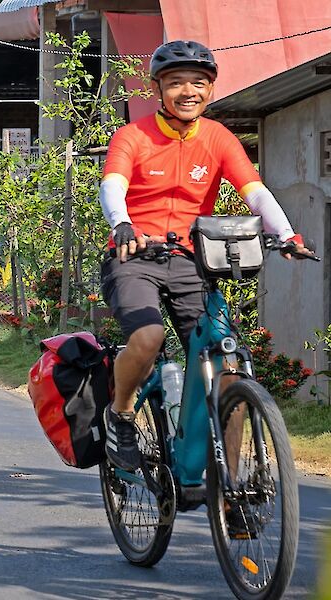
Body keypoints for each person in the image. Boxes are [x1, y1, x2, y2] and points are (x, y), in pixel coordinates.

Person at [98, 40, 313, 522]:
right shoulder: (132, 135)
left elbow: (254, 191)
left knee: (229, 369)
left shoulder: (217, 137)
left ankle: (229, 488)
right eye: (176, 82)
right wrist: (122, 225)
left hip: (195, 261)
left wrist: (286, 234)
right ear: (157, 89)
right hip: (134, 255)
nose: (188, 91)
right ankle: (122, 411)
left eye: (198, 83)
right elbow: (112, 184)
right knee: (149, 336)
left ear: (211, 89)